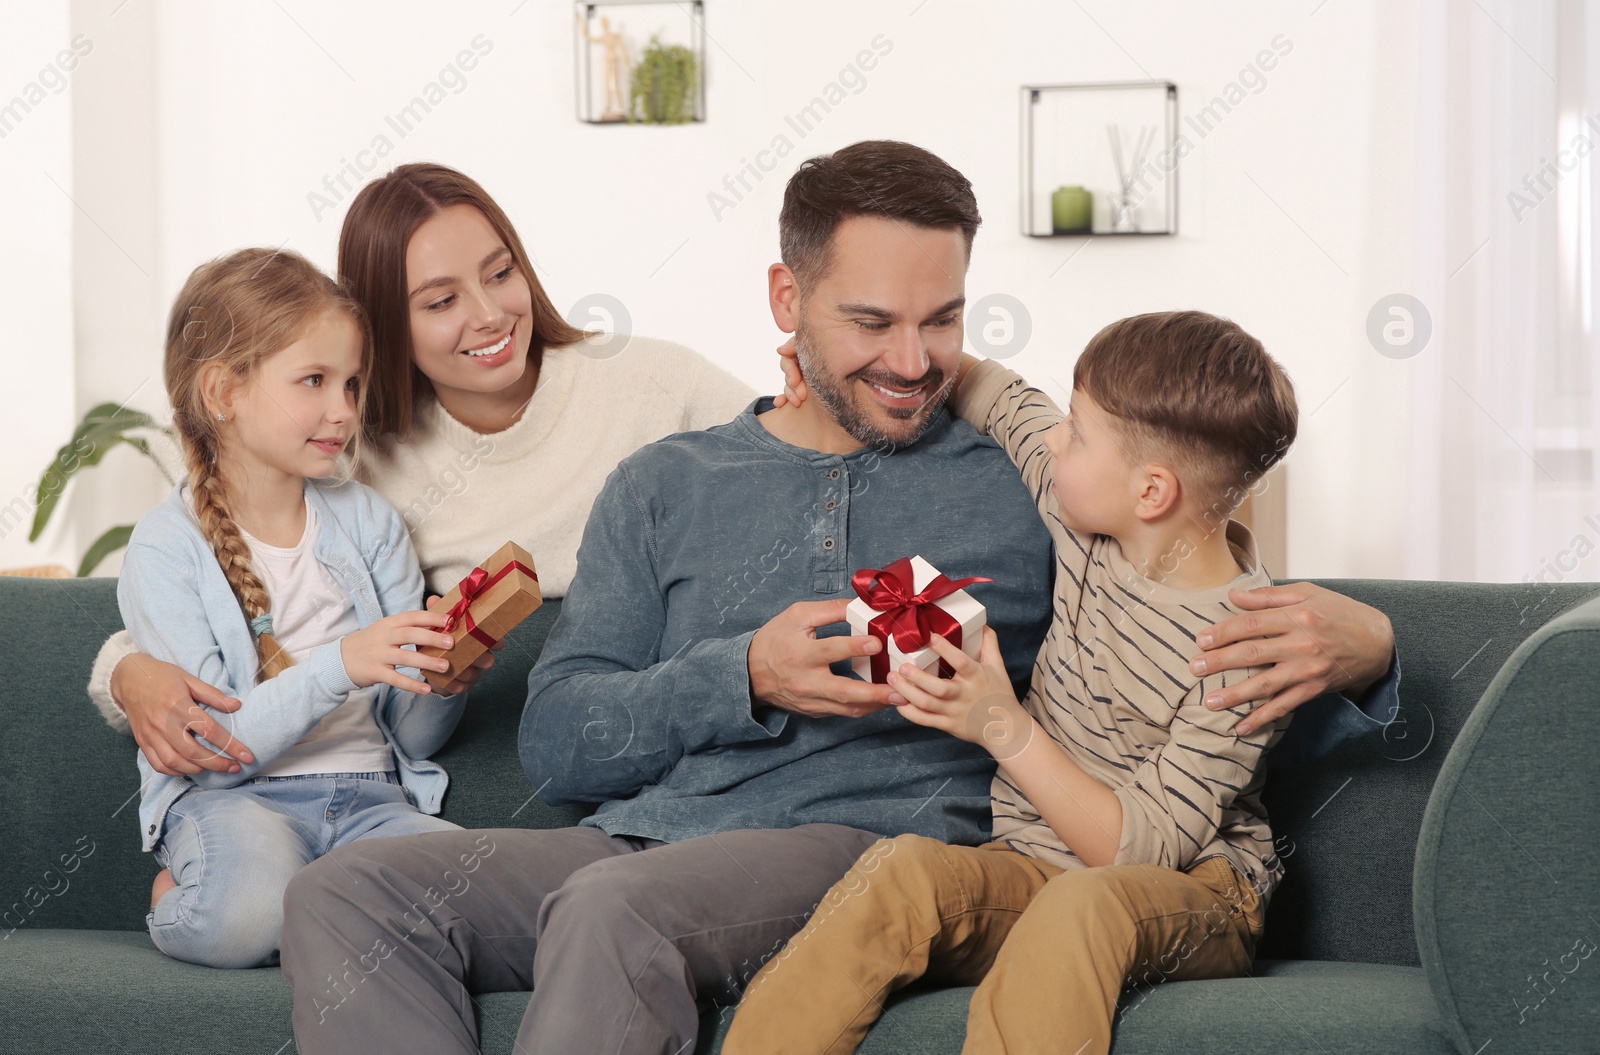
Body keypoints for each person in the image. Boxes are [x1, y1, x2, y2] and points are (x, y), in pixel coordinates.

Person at [276, 141, 1394, 1054]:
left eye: (943, 319)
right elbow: (563, 741)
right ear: (786, 296)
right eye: (871, 323)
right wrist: (739, 675)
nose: (915, 360)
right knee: (348, 890)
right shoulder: (666, 482)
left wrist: (1366, 642)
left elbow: (1179, 587)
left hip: (874, 846)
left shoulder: (1028, 482)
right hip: (641, 843)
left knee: (616, 912)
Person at [724, 310, 1302, 1054]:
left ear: (1152, 492)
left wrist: (1001, 725)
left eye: (1078, 430)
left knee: (1082, 904)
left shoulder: (1246, 650)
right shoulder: (1083, 511)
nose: (1055, 435)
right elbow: (990, 389)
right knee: (901, 871)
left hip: (1195, 893)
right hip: (1034, 866)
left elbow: (1138, 851)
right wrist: (838, 369)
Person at [87, 163, 755, 778]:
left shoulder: (658, 385)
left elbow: (803, 458)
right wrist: (126, 672)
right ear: (381, 327)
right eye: (441, 302)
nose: (491, 313)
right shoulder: (354, 460)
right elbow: (220, 598)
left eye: (500, 273)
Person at [120, 248, 465, 968]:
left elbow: (417, 737)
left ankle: (317, 910)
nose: (343, 410)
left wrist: (445, 677)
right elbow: (216, 756)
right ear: (223, 391)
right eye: (313, 381)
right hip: (237, 803)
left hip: (371, 800)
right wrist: (341, 663)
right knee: (240, 912)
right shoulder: (166, 545)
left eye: (351, 382)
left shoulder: (368, 520)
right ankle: (178, 895)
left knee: (479, 897)